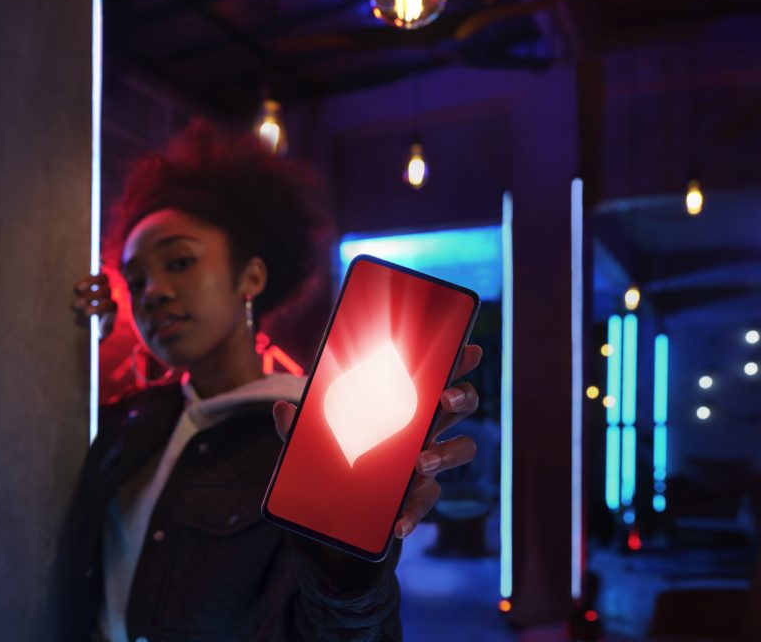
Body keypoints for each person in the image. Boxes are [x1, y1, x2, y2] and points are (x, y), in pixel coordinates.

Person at [60, 121, 483, 641]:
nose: (153, 293)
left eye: (180, 262)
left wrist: (347, 570)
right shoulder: (134, 425)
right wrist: (76, 340)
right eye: (137, 279)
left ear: (251, 277)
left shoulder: (296, 435)